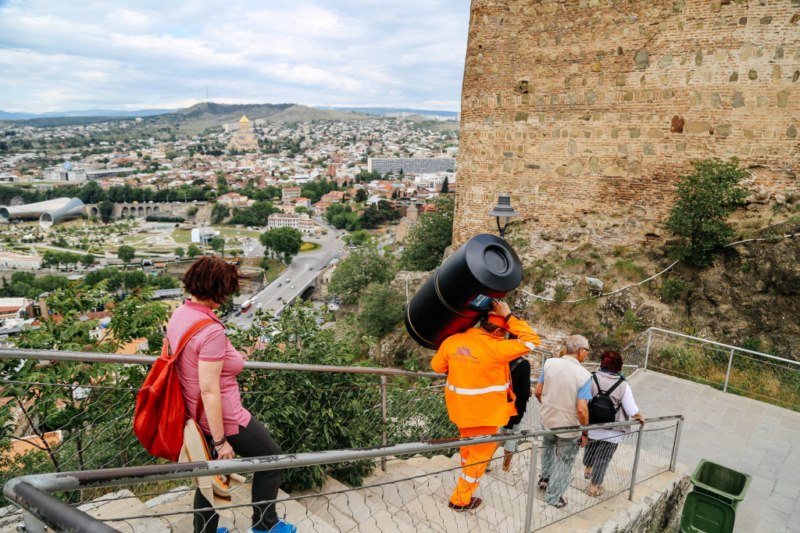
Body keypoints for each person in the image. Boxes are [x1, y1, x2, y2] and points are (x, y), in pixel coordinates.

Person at [167, 256, 296, 533]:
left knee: (211, 472)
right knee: (272, 458)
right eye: (225, 291)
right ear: (216, 289)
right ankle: (265, 526)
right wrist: (221, 440)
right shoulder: (210, 330)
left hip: (193, 413)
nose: (226, 298)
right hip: (225, 417)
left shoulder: (181, 314)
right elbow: (209, 389)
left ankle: (205, 532)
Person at [431, 299, 540, 511]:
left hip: (460, 410)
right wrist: (508, 314)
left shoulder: (453, 341)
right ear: (499, 331)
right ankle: (460, 499)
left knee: (468, 448)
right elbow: (531, 340)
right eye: (505, 332)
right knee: (480, 457)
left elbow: (437, 366)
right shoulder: (497, 348)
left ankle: (466, 475)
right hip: (485, 415)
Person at [534, 335, 593, 509]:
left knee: (548, 447)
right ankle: (553, 497)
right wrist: (585, 432)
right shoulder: (584, 375)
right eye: (587, 350)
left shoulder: (549, 363)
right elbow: (581, 409)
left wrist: (548, 406)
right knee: (565, 460)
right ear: (580, 350)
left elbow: (538, 391)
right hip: (569, 427)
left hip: (547, 420)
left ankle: (545, 479)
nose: (587, 354)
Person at [582, 351, 645, 497]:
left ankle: (588, 469)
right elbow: (631, 410)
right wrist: (641, 417)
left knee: (591, 448)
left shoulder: (591, 378)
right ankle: (594, 488)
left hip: (592, 425)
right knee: (603, 458)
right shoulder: (623, 385)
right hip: (612, 431)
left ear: (602, 363)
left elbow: (583, 401)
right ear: (619, 366)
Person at [500, 356, 532, 473]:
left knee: (500, 432)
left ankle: (486, 461)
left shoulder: (504, 358)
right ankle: (506, 466)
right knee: (512, 436)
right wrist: (528, 392)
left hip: (502, 401)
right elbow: (524, 392)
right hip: (515, 406)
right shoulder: (524, 364)